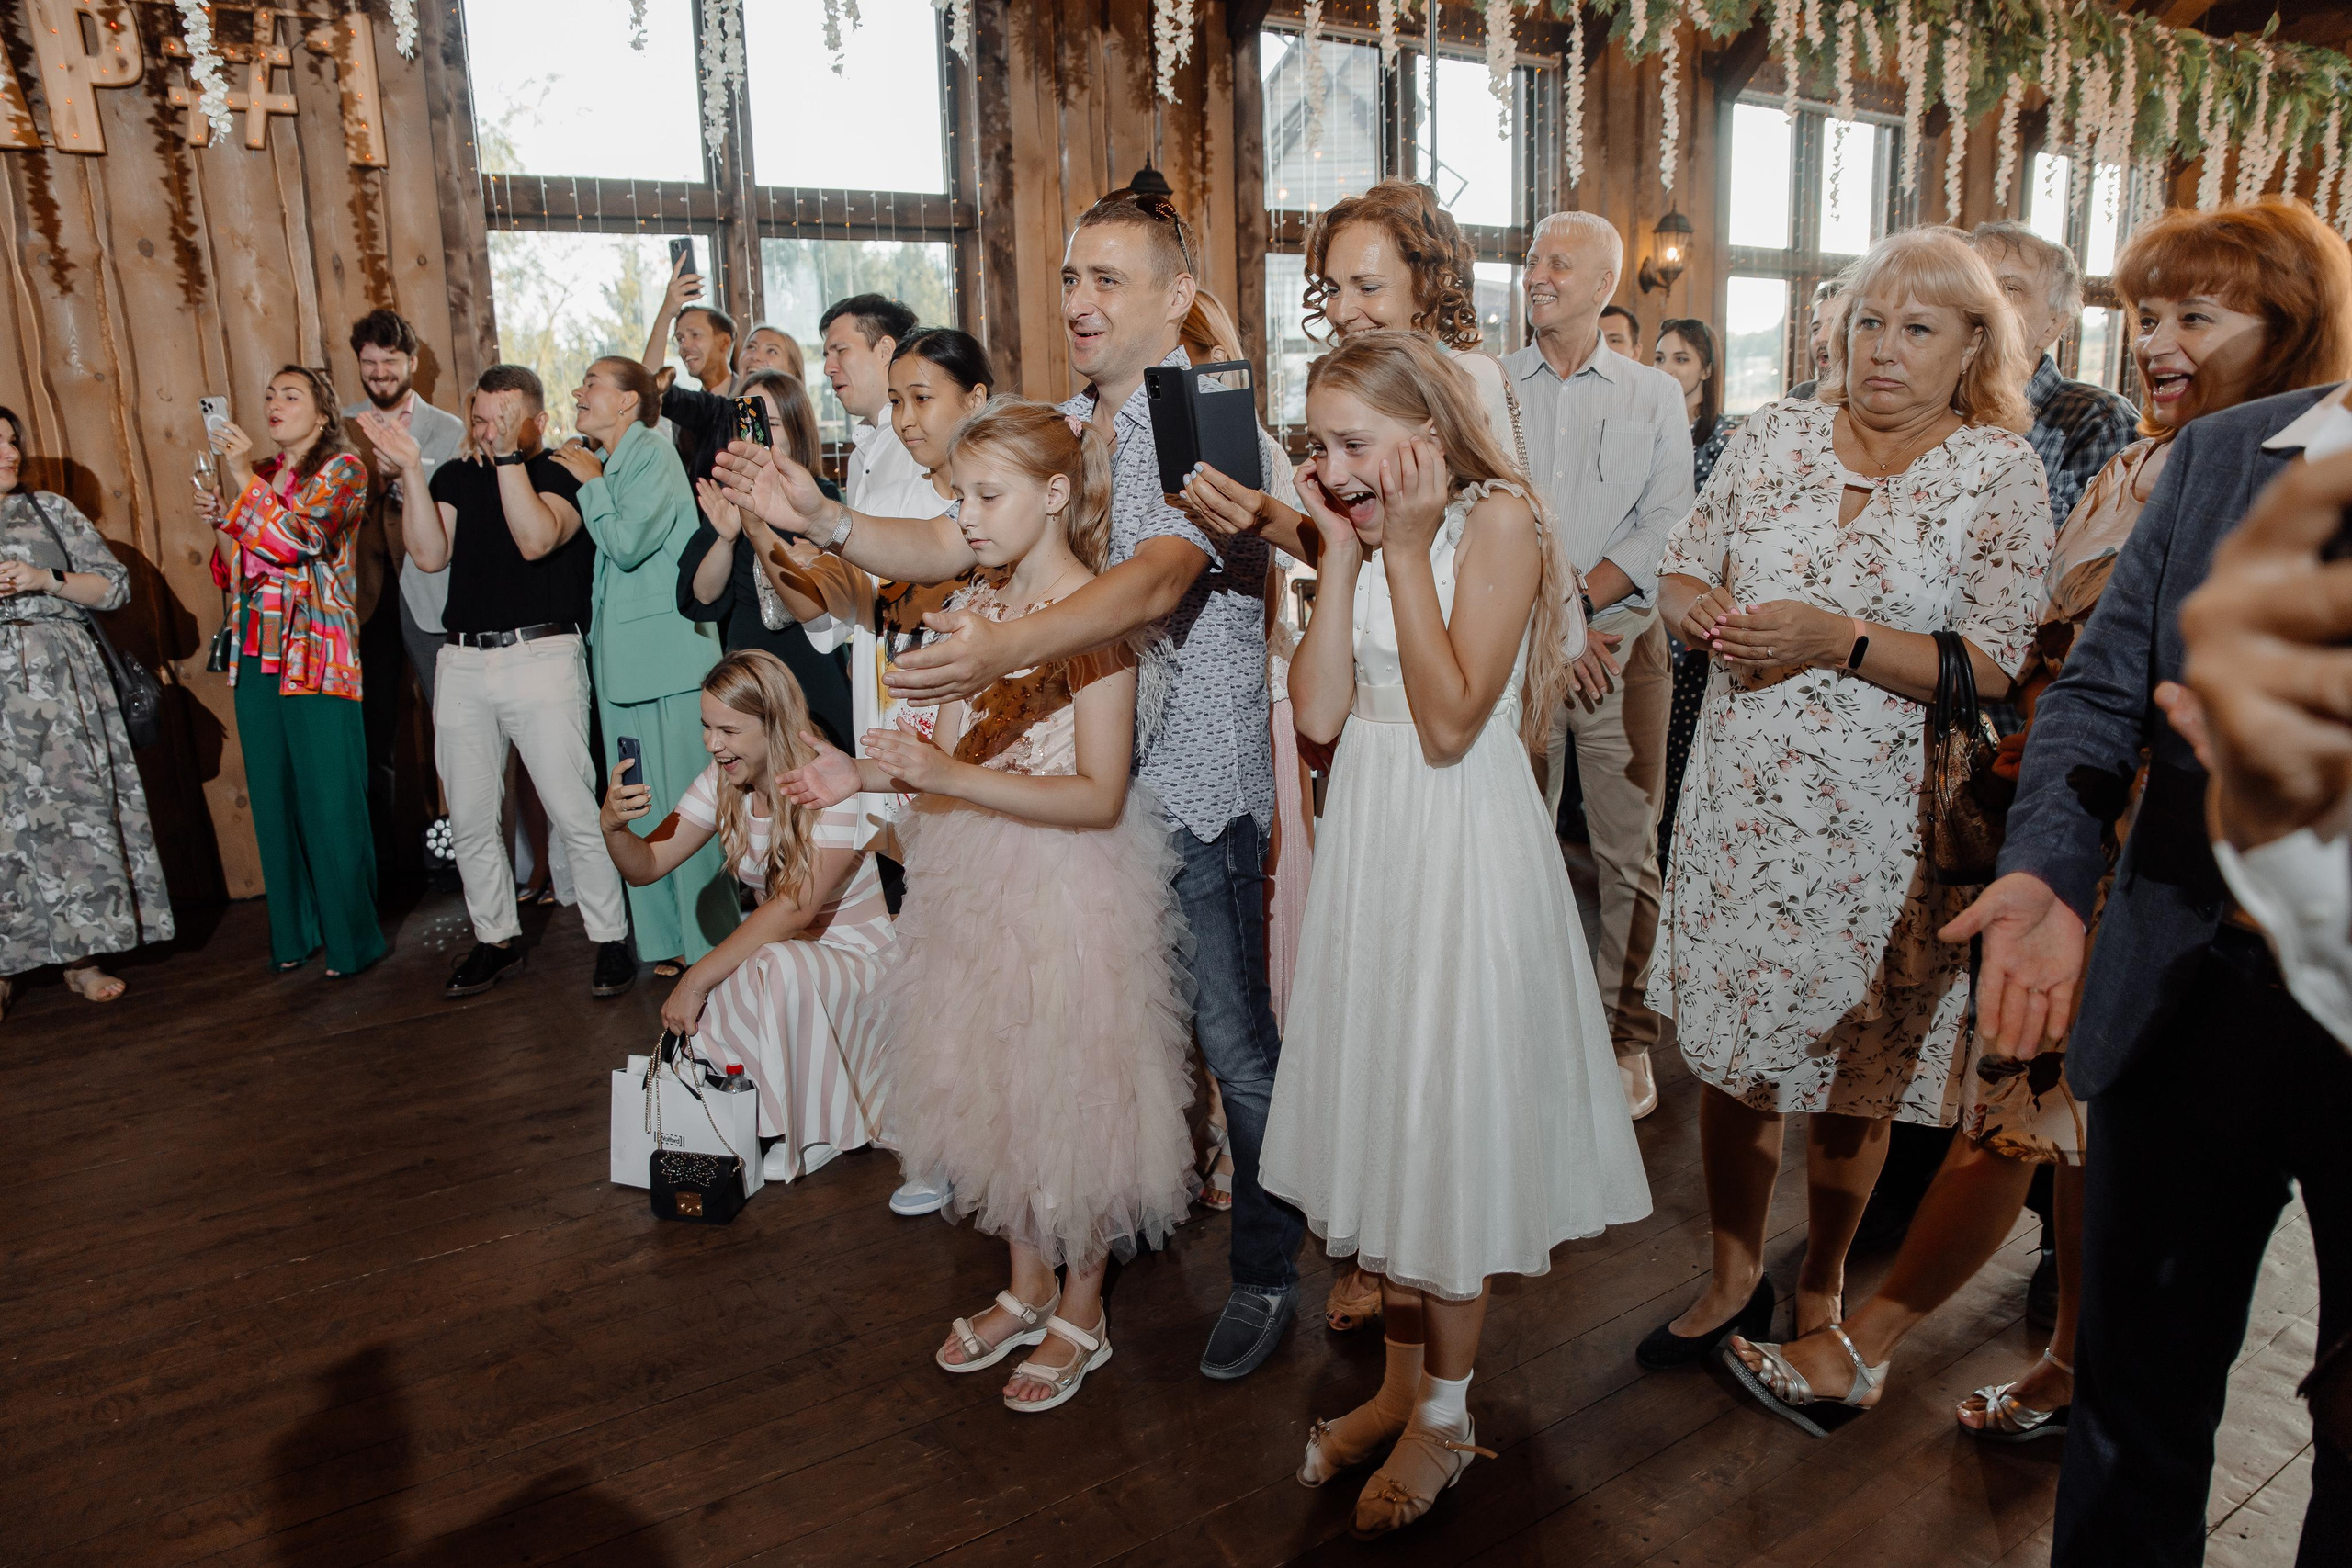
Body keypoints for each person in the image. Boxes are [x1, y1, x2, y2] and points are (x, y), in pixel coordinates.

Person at [1721, 198, 2352, 1450]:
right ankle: (2062, 1357)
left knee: (2031, 1125)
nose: (2159, 340)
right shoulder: (2162, 463)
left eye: (2196, 315)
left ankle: (1888, 1341)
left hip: (2213, 895)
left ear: (2293, 329)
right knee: (2062, 1144)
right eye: (2148, 315)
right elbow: (2088, 678)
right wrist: (2053, 853)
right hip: (2087, 859)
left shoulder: (2232, 465)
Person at [718, 188, 1307, 1383]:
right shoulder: (1057, 423)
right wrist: (825, 514)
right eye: (1071, 275)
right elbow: (950, 541)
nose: (1080, 300)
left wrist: (1002, 648)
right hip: (1082, 815)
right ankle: (1057, 1269)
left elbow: (1153, 581)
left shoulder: (1211, 417)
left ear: (1176, 298)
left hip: (1190, 784)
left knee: (1234, 1046)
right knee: (1089, 1049)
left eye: (1109, 278)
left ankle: (1266, 1265)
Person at [1950, 225, 2352, 1566]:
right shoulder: (2235, 454)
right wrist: (2049, 874)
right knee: (2134, 1402)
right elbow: (2099, 691)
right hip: (2191, 982)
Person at [1635, 229, 2049, 1383]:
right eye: (1870, 321)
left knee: (1851, 1074)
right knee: (1733, 1061)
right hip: (1741, 812)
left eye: (1918, 329)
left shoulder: (1997, 471)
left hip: (1881, 837)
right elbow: (1680, 567)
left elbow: (1998, 663)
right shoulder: (1766, 440)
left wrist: (1840, 640)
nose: (1884, 350)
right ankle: (1727, 1276)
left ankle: (1820, 1276)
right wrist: (1697, 608)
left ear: (1973, 345)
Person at [1262, 330, 1651, 1534]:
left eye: (1351, 443)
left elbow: (1444, 717)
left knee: (1448, 1128)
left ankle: (1448, 1412)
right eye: (1318, 446)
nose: (1329, 467)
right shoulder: (1369, 529)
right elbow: (1323, 710)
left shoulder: (1493, 522)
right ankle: (1396, 1386)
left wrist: (1411, 547)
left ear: (1425, 431)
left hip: (1459, 850)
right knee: (1390, 1112)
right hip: (1377, 850)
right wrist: (1339, 550)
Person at [780, 399, 1197, 1413]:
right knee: (994, 1079)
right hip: (969, 875)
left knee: (1073, 1088)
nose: (962, 517)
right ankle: (1023, 1282)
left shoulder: (1093, 620)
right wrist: (863, 779)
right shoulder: (972, 600)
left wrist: (942, 777)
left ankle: (1082, 1308)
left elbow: (1096, 795)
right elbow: (951, 760)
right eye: (957, 495)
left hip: (1068, 882)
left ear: (1055, 496)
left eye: (985, 495)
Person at [362, 364, 637, 1001]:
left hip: (541, 654)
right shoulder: (458, 474)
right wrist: (410, 469)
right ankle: (497, 938)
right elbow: (430, 556)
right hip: (461, 660)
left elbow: (537, 539)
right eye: (482, 418)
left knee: (573, 807)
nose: (488, 431)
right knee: (471, 817)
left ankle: (610, 937)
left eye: (503, 419)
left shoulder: (566, 470)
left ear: (536, 419)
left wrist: (512, 455)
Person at [1507, 210, 1694, 1123]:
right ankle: (1529, 1023)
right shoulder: (1493, 387)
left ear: (1601, 285)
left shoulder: (1651, 395)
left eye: (1557, 263)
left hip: (1627, 649)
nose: (1536, 274)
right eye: (1533, 258)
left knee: (1627, 853)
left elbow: (1667, 522)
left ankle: (1624, 1038)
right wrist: (1552, 616)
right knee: (1513, 844)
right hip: (1517, 650)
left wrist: (1583, 611)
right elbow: (1487, 512)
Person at [601, 650, 895, 1184]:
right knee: (762, 967)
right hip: (781, 956)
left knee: (767, 965)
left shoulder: (829, 783)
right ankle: (759, 1120)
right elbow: (646, 866)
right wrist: (614, 830)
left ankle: (816, 1130)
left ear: (772, 724)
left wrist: (695, 977)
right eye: (707, 727)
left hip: (858, 964)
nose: (713, 744)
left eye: (729, 730)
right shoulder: (724, 782)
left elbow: (795, 907)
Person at [201, 367, 384, 977]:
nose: (274, 404)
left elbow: (298, 540)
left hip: (315, 656)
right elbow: (236, 571)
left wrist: (238, 483)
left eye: (290, 394)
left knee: (329, 799)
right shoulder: (261, 478)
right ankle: (295, 935)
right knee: (274, 798)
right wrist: (224, 521)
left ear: (323, 414)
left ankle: (353, 940)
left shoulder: (345, 470)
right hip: (256, 653)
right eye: (269, 394)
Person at [553, 357, 732, 976]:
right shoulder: (612, 462)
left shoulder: (651, 454)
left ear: (629, 402)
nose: (580, 392)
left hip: (671, 662)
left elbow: (627, 542)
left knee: (689, 804)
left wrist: (590, 482)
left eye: (594, 384)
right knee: (642, 804)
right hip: (626, 667)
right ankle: (666, 941)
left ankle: (710, 942)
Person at [0, 406, 173, 1014]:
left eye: (12, 440)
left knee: (72, 818)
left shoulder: (52, 510)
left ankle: (82, 957)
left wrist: (45, 578)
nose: (9, 452)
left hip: (63, 692)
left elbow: (114, 586)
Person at [675, 369, 854, 749]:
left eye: (771, 422)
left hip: (812, 660)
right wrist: (726, 538)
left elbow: (833, 595)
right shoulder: (731, 494)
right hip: (750, 662)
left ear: (795, 429)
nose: (758, 432)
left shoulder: (820, 499)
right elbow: (703, 597)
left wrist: (766, 530)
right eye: (749, 419)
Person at [1969, 221, 2140, 526]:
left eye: (2010, 288)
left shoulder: (2099, 420)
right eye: (1971, 283)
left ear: (2053, 325)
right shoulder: (1920, 405)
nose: (1983, 302)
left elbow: (2089, 566)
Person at [1650, 318, 1739, 871]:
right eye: (1660, 358)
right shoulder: (1651, 428)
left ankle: (1681, 857)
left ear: (1706, 369)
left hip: (1698, 610)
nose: (1667, 369)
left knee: (1683, 745)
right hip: (1647, 598)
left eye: (1681, 358)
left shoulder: (1726, 440)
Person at [344, 309, 464, 712]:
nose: (379, 372)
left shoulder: (451, 431)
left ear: (411, 363)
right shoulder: (342, 428)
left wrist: (403, 477)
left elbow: (456, 513)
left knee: (450, 719)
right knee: (372, 729)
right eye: (369, 362)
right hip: (362, 598)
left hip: (432, 596)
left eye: (389, 361)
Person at [820, 294, 926, 513]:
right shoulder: (859, 455)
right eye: (826, 356)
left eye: (840, 351)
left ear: (885, 350)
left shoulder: (922, 441)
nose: (828, 368)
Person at [642, 254, 737, 398]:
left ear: (724, 342)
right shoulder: (687, 410)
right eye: (680, 339)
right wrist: (666, 314)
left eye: (695, 335)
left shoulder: (751, 394)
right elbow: (648, 389)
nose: (684, 346)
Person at [1787, 275, 1846, 400]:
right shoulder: (1798, 398)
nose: (1821, 338)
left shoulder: (1872, 403)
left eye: (1834, 325)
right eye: (1815, 329)